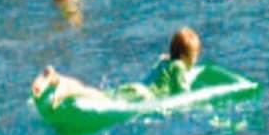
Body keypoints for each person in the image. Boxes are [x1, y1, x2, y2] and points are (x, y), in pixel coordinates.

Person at [32, 27, 203, 105]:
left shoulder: (165, 62)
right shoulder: (179, 66)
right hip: (144, 97)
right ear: (184, 57)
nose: (195, 61)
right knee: (100, 98)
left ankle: (56, 78)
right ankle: (68, 89)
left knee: (99, 94)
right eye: (194, 57)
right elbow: (183, 95)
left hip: (137, 88)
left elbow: (164, 61)